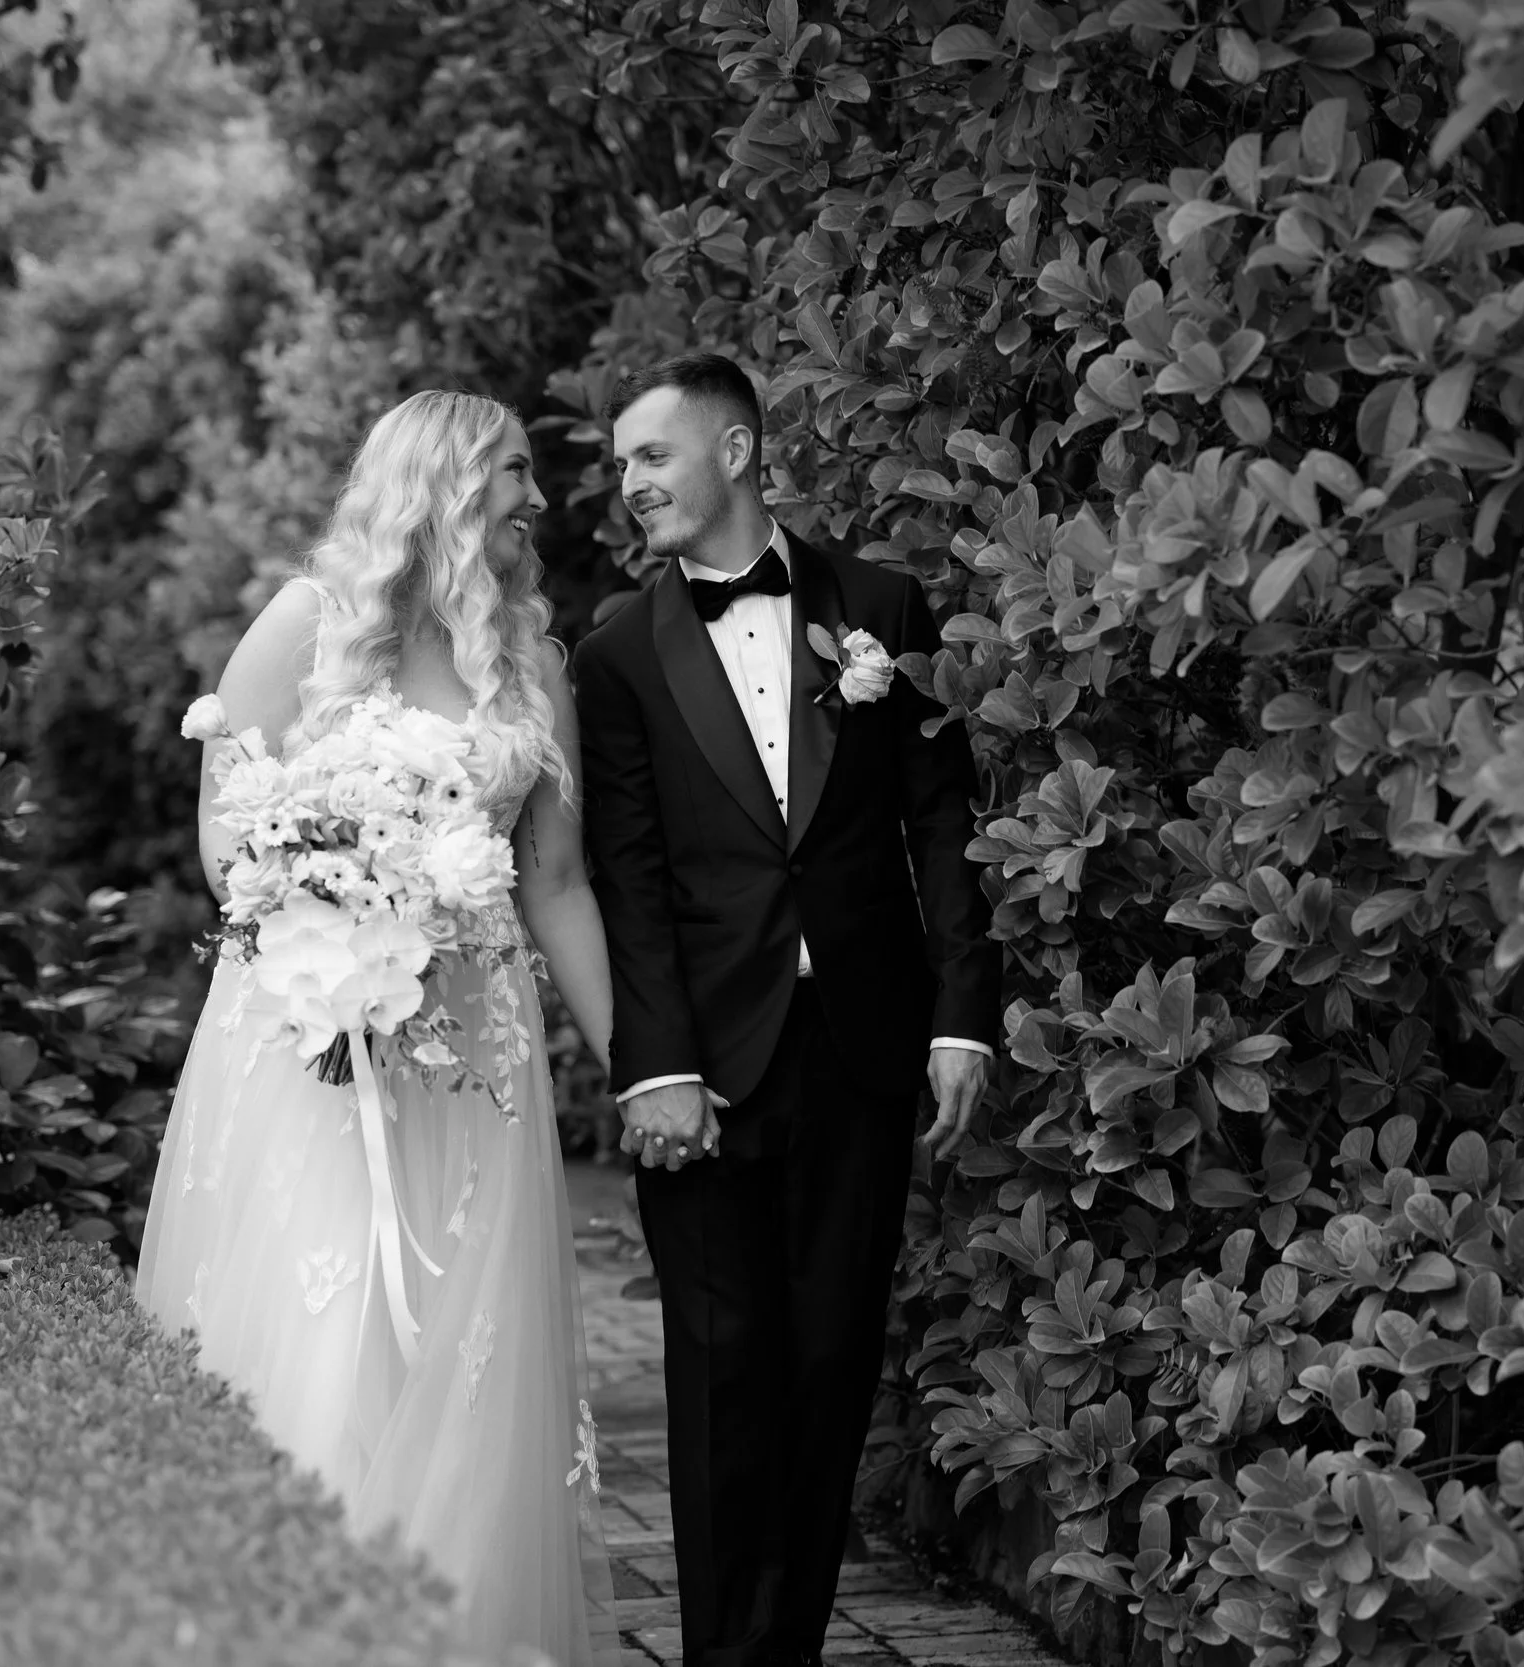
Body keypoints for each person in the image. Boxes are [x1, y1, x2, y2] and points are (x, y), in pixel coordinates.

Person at [134, 390, 621, 1667]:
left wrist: (635, 1064)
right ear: (445, 482)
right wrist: (338, 902)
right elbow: (226, 834)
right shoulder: (307, 620)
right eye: (515, 472)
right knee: (327, 1322)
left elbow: (557, 883)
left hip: (476, 1053)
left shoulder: (533, 663)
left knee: (463, 1337)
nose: (537, 499)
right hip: (312, 1036)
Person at [573, 353, 1002, 1667]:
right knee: (721, 1371)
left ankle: (789, 1649)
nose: (630, 481)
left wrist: (961, 1017)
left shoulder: (881, 606)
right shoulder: (616, 651)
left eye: (652, 455)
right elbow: (628, 879)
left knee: (830, 1364)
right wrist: (654, 1065)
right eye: (622, 463)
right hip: (707, 1065)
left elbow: (943, 822)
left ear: (737, 452)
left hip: (862, 1049)